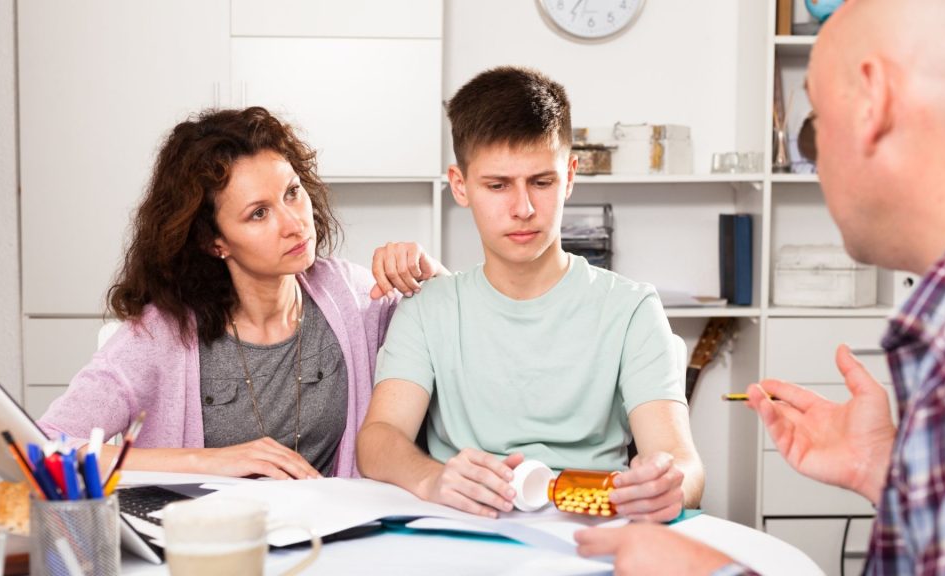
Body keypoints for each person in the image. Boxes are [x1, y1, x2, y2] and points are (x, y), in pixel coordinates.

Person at [574, 0, 945, 573]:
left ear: (872, 102)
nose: (816, 163)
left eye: (816, 125)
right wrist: (885, 470)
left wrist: (712, 572)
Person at [356, 66, 704, 521]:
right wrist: (431, 478)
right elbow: (378, 438)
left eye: (542, 182)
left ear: (570, 175)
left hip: (593, 526)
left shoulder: (631, 308)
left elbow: (684, 463)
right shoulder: (427, 308)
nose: (522, 209)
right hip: (466, 526)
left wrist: (667, 488)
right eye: (497, 185)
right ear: (460, 185)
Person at [38, 107, 446, 480]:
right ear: (214, 241)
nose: (294, 224)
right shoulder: (161, 334)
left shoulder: (353, 297)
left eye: (292, 192)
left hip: (334, 535)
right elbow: (44, 449)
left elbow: (460, 334)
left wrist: (432, 272)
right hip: (210, 535)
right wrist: (207, 462)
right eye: (259, 213)